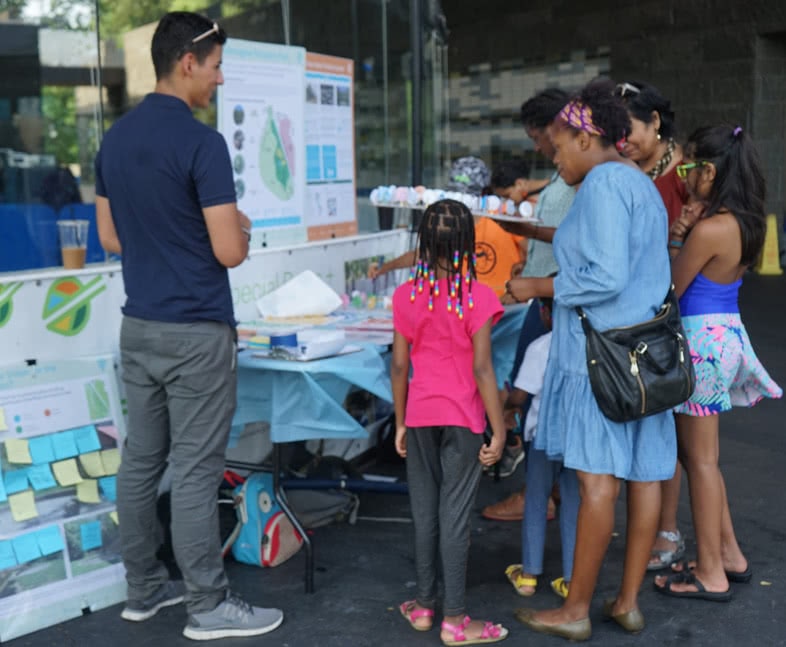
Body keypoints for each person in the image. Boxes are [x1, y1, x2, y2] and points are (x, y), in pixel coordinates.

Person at [94, 12, 283, 641]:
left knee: (141, 463)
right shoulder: (203, 144)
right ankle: (207, 606)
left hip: (139, 328)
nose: (220, 78)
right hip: (197, 331)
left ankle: (143, 591)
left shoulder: (114, 140)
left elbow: (111, 235)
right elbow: (229, 251)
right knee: (198, 471)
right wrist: (244, 231)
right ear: (188, 63)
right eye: (217, 65)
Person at [506, 78, 676, 641]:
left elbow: (604, 275)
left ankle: (575, 609)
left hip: (601, 359)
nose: (555, 159)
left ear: (584, 136)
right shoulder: (638, 183)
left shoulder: (602, 184)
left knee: (599, 482)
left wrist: (539, 285)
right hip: (647, 357)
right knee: (645, 477)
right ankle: (625, 601)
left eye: (557, 148)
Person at [654, 125, 782, 601]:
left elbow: (670, 289)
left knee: (701, 461)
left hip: (700, 342)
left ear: (709, 172)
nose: (683, 177)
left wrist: (677, 235)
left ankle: (711, 572)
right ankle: (727, 554)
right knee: (697, 457)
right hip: (724, 335)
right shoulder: (748, 223)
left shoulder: (709, 229)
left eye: (687, 169)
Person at [391, 198, 509, 645]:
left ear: (423, 241)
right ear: (468, 244)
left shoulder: (407, 296)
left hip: (420, 416)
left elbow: (400, 367)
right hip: (463, 419)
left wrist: (400, 422)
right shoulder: (478, 297)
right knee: (454, 516)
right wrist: (498, 430)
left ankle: (423, 607)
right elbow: (483, 369)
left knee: (424, 513)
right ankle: (455, 620)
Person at [481, 88, 576, 522]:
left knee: (526, 394)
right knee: (525, 392)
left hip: (554, 300)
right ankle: (542, 492)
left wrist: (539, 279)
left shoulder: (585, 176)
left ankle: (543, 494)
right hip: (541, 293)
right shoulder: (560, 173)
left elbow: (576, 241)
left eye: (539, 139)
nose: (539, 150)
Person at [615, 80, 689, 571]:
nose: (624, 141)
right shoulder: (626, 170)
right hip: (631, 315)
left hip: (669, 310)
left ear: (656, 121)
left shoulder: (686, 176)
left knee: (669, 426)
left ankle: (669, 528)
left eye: (632, 131)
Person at [502, 296, 579, 601]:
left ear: (545, 313)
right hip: (578, 440)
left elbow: (520, 395)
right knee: (574, 505)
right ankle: (573, 578)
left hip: (542, 440)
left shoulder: (540, 347)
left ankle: (529, 576)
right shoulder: (589, 345)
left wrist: (508, 411)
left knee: (536, 499)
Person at [369, 157, 527, 301]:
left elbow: (530, 253)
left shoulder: (503, 218)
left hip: (503, 307)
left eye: (466, 195)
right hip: (463, 307)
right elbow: (423, 254)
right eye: (456, 194)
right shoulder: (450, 222)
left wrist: (518, 288)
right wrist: (385, 268)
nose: (461, 201)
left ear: (484, 193)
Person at [615, 81, 688, 228]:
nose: (621, 142)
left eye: (627, 130)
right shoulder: (620, 174)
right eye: (615, 132)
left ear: (655, 120)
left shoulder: (686, 172)